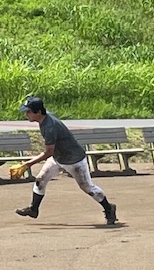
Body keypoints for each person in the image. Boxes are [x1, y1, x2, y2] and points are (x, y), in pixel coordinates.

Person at [15, 96, 117, 225]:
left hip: (74, 160)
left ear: (38, 112)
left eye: (29, 111)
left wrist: (28, 164)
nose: (26, 114)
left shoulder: (50, 127)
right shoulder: (45, 117)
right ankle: (33, 209)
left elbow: (48, 152)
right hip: (58, 157)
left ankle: (109, 208)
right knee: (40, 180)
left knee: (87, 187)